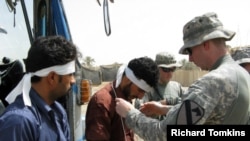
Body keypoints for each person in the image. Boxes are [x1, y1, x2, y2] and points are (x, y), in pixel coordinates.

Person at [115, 12, 250, 141]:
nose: (190, 59)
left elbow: (165, 134)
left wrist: (130, 114)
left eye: (190, 51)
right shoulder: (242, 74)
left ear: (206, 44)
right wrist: (165, 110)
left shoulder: (213, 82)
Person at [0, 35, 78, 141]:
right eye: (70, 74)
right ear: (52, 77)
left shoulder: (58, 111)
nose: (73, 81)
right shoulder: (19, 122)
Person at [85, 56, 159, 141]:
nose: (141, 96)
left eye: (144, 92)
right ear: (128, 79)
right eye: (140, 90)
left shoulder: (126, 96)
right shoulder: (102, 102)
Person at [134, 52, 184, 120]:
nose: (170, 73)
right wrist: (167, 102)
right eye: (166, 69)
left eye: (173, 69)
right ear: (157, 69)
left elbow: (187, 107)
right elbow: (139, 111)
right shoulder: (146, 88)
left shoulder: (177, 87)